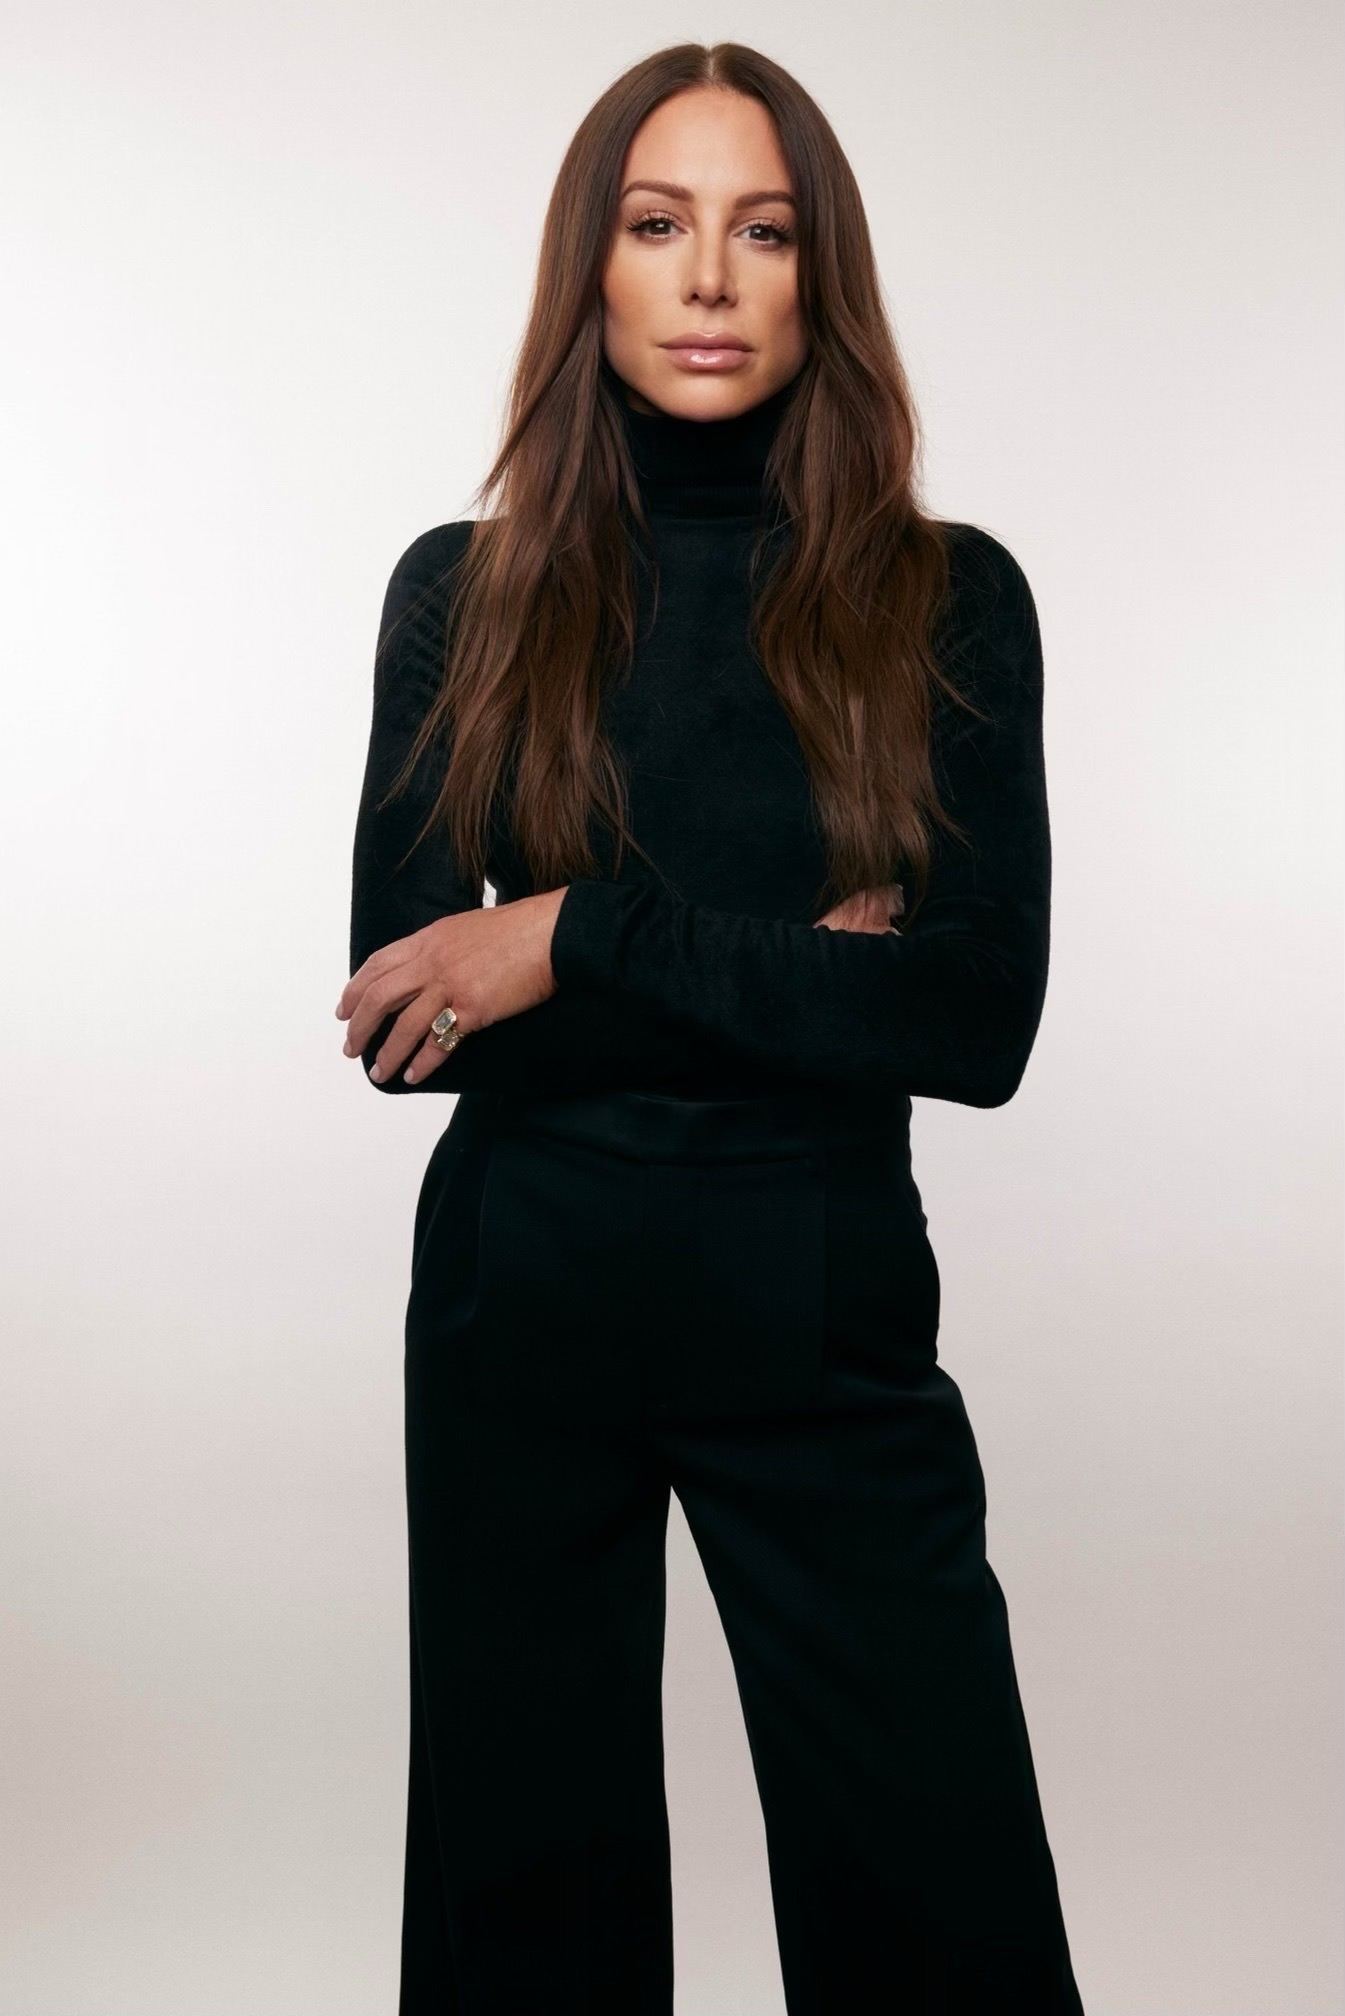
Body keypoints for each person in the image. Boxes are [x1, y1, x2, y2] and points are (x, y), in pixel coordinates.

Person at [336, 40, 1086, 2016]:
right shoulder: (466, 595)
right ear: (587, 266)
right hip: (522, 1303)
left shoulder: (944, 602)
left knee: (944, 1915)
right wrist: (801, 977)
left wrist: (573, 933)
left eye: (763, 232)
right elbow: (409, 1019)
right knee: (524, 1929)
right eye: (656, 225)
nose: (706, 279)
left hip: (820, 1305)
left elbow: (971, 1017)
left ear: (820, 275)